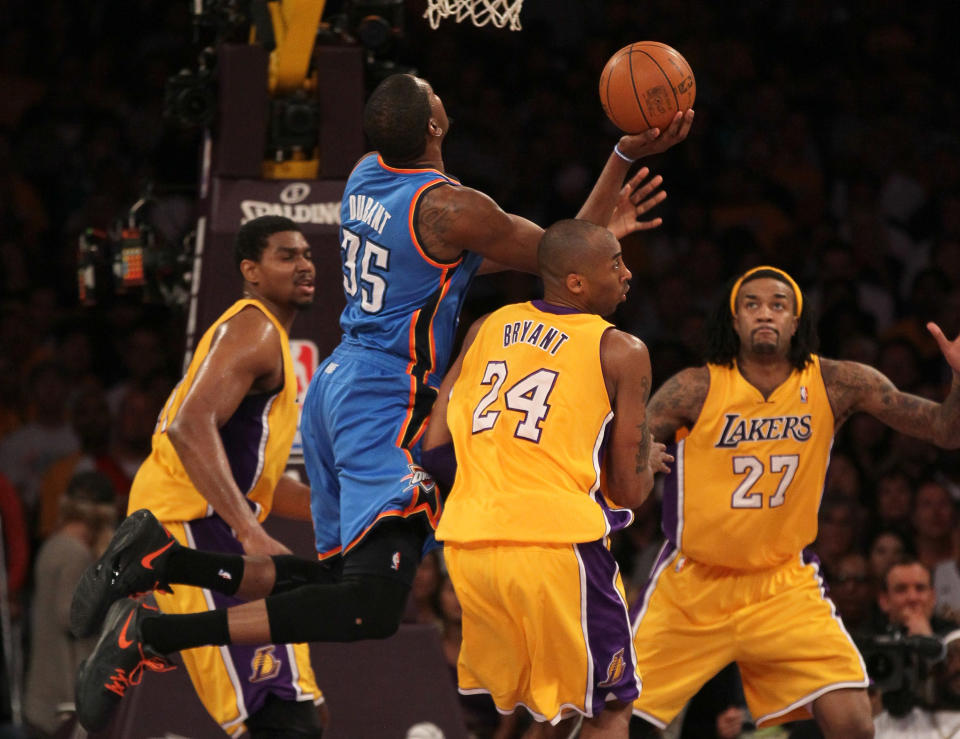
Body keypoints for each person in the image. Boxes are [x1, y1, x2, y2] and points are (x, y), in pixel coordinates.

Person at [71, 76, 692, 734]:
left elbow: (463, 264)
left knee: (339, 581)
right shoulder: (454, 208)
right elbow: (558, 257)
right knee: (369, 606)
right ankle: (157, 634)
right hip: (384, 394)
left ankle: (164, 560)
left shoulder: (367, 176)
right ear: (434, 126)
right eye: (431, 93)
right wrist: (620, 157)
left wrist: (588, 239)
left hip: (339, 383)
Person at [629, 265, 960, 738]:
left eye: (778, 304)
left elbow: (944, 431)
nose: (766, 313)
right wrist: (641, 460)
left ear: (796, 320)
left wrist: (959, 381)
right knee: (616, 720)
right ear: (735, 320)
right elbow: (625, 455)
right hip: (693, 584)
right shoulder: (694, 387)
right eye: (753, 304)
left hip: (783, 583)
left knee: (854, 725)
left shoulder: (836, 383)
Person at [71, 215, 327, 737]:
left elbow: (258, 486)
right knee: (280, 717)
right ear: (250, 271)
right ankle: (146, 624)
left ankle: (147, 629)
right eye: (286, 255)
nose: (304, 264)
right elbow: (190, 426)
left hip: (202, 517)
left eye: (306, 254)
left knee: (302, 710)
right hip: (196, 520)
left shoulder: (260, 335)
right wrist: (248, 530)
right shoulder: (254, 328)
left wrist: (341, 504)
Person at [424, 219, 672, 737]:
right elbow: (628, 491)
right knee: (610, 707)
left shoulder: (487, 326)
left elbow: (436, 448)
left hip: (470, 552)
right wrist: (647, 464)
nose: (628, 274)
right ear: (577, 283)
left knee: (552, 714)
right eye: (615, 264)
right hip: (554, 550)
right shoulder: (621, 349)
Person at [24, 472, 116, 738]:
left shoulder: (53, 545)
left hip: (43, 698)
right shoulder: (75, 554)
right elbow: (72, 617)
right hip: (61, 704)